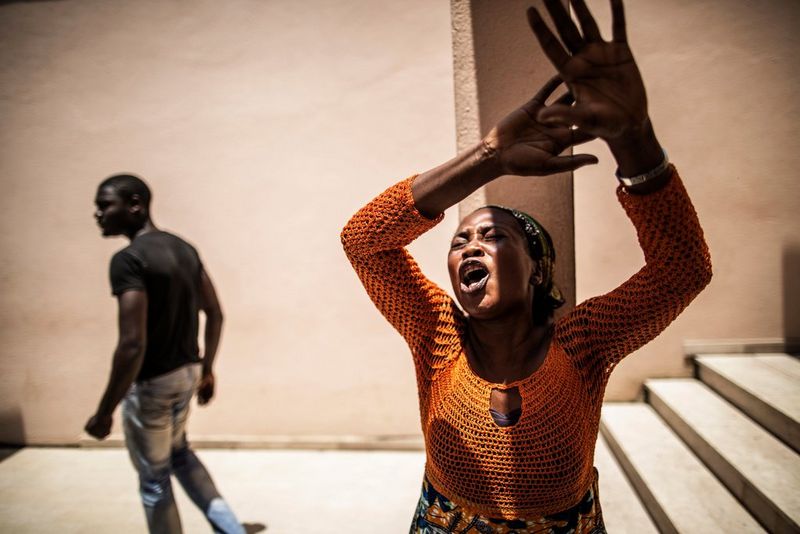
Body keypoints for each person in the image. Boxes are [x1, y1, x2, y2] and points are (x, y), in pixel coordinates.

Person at [341, 0, 712, 531]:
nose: (470, 246)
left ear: (538, 269)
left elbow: (683, 268)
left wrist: (633, 137)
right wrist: (488, 156)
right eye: (460, 240)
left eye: (493, 236)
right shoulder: (435, 331)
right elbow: (364, 240)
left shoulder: (584, 342)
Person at [85, 174, 245, 534]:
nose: (97, 214)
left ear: (135, 204)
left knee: (154, 478)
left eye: (105, 204)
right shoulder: (184, 248)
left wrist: (104, 411)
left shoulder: (128, 260)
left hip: (153, 384)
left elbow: (132, 344)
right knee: (180, 455)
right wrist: (206, 370)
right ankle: (232, 530)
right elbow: (215, 312)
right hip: (186, 374)